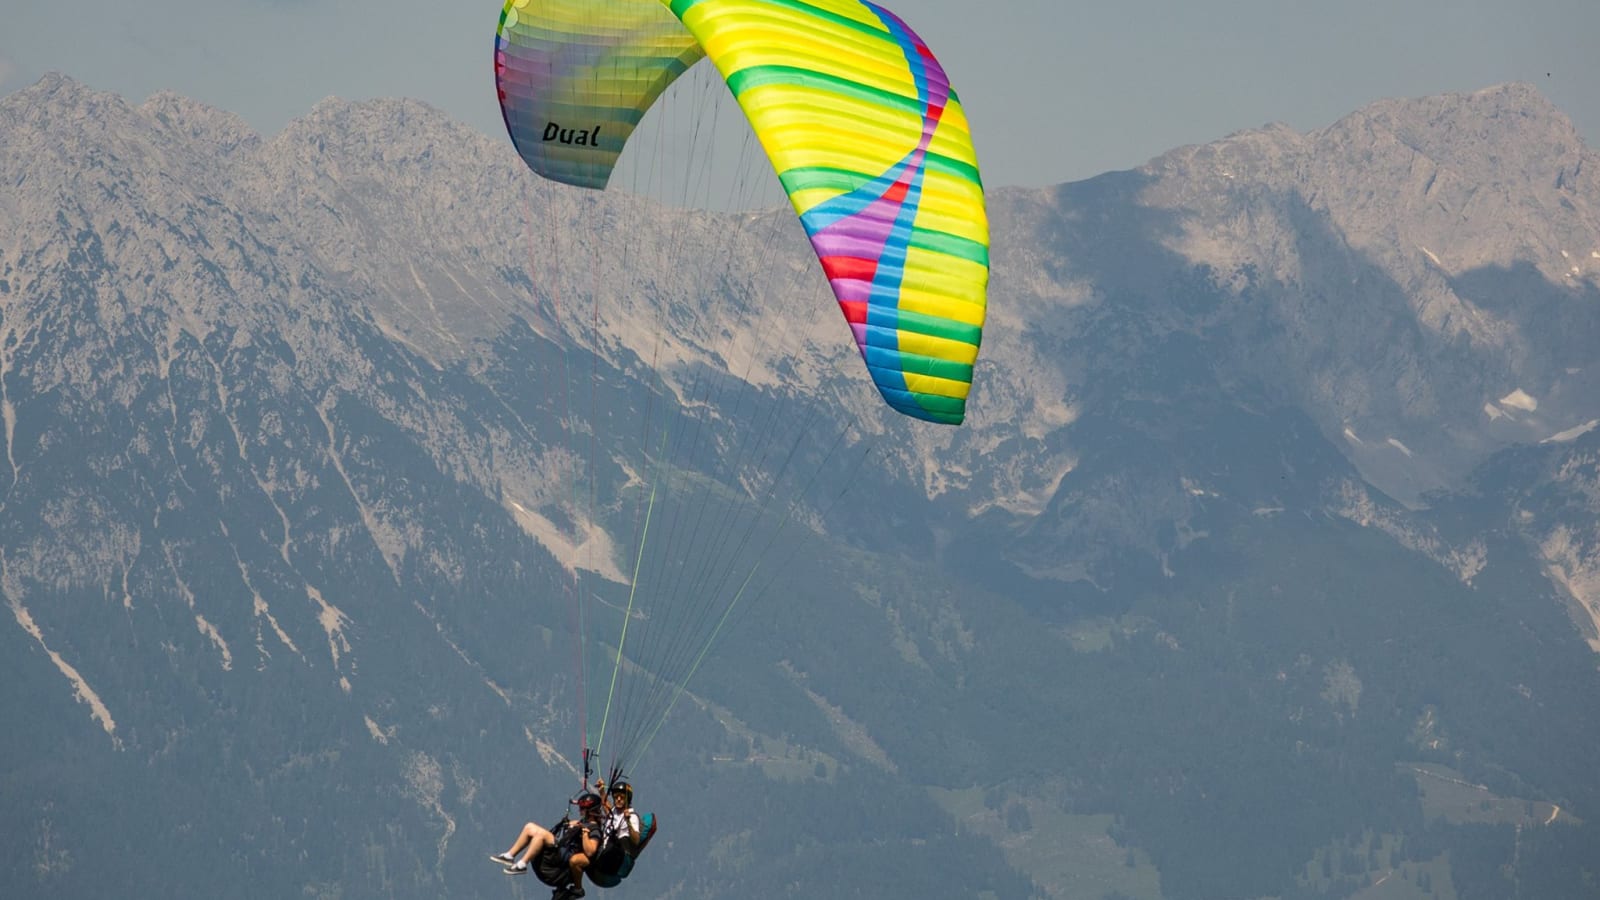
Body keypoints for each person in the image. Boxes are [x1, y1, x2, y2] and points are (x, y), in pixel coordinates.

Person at [490, 792, 604, 898]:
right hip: (560, 852)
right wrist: (573, 824)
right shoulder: (584, 822)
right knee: (529, 827)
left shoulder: (594, 830)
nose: (580, 810)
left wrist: (585, 835)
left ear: (590, 811)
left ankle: (522, 864)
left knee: (540, 836)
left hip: (562, 860)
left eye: (582, 808)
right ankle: (510, 856)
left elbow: (591, 851)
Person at [585, 779, 655, 889]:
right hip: (604, 857)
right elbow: (607, 807)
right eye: (616, 796)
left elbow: (636, 839)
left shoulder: (632, 817)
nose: (618, 799)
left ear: (627, 799)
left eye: (621, 797)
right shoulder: (614, 811)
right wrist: (602, 791)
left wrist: (628, 821)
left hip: (613, 861)